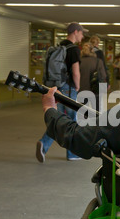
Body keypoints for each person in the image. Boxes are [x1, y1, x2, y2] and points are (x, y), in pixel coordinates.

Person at [36, 22, 87, 163]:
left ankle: (43, 144)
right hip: (68, 89)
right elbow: (76, 72)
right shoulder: (74, 50)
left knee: (57, 119)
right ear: (76, 32)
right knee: (71, 121)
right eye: (81, 33)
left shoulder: (59, 47)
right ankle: (72, 153)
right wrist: (77, 87)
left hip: (55, 88)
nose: (82, 36)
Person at [78, 42, 107, 109]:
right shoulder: (98, 61)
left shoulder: (79, 61)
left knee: (83, 112)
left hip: (82, 90)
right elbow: (103, 76)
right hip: (95, 90)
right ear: (92, 50)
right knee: (96, 111)